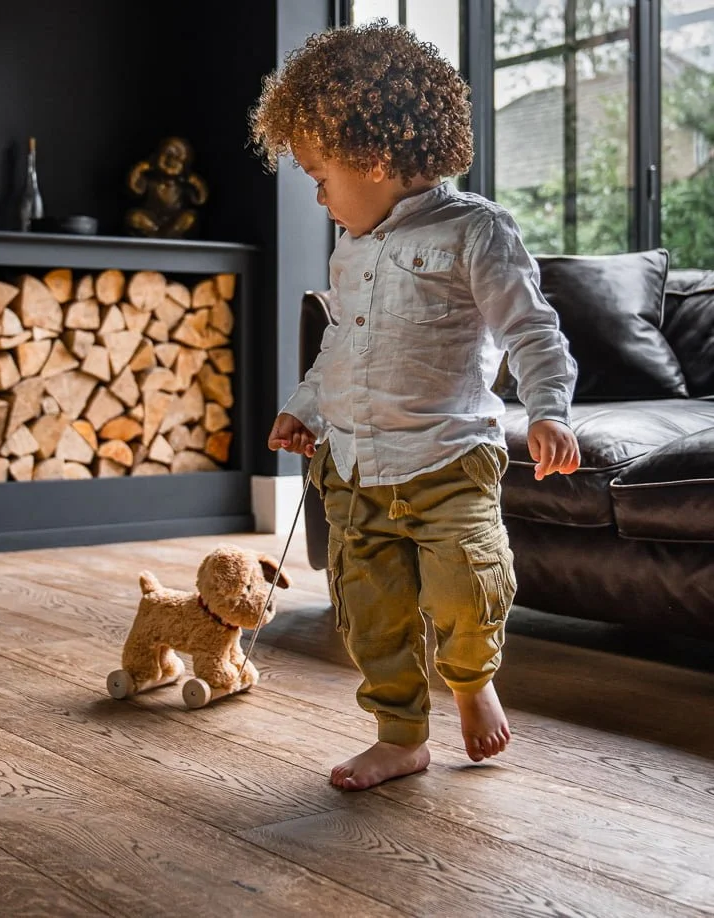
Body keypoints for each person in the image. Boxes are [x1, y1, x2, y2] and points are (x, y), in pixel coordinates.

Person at [249, 20, 580, 791]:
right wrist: (305, 406)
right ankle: (399, 735)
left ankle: (470, 677)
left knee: (467, 588)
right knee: (370, 614)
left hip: (446, 461)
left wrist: (547, 410)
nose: (319, 195)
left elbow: (531, 328)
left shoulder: (476, 231)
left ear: (372, 157)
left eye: (319, 174)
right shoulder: (352, 247)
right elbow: (338, 342)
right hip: (354, 468)